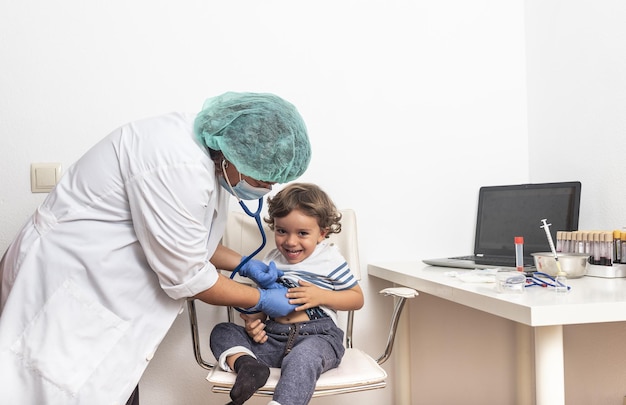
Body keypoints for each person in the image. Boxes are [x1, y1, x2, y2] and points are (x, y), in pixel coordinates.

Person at [0, 92, 311, 405]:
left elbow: (193, 240)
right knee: (53, 386)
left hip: (100, 294)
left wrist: (243, 264)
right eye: (264, 177)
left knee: (106, 386)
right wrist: (262, 298)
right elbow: (189, 276)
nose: (267, 187)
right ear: (236, 156)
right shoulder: (176, 164)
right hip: (66, 290)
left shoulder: (211, 162)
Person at [210, 183, 365, 405]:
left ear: (322, 233)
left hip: (318, 336)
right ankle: (248, 366)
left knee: (302, 358)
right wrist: (256, 322)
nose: (290, 241)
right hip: (274, 338)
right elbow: (266, 302)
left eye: (302, 233)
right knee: (222, 331)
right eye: (282, 231)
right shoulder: (271, 259)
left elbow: (357, 298)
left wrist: (321, 296)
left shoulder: (329, 259)